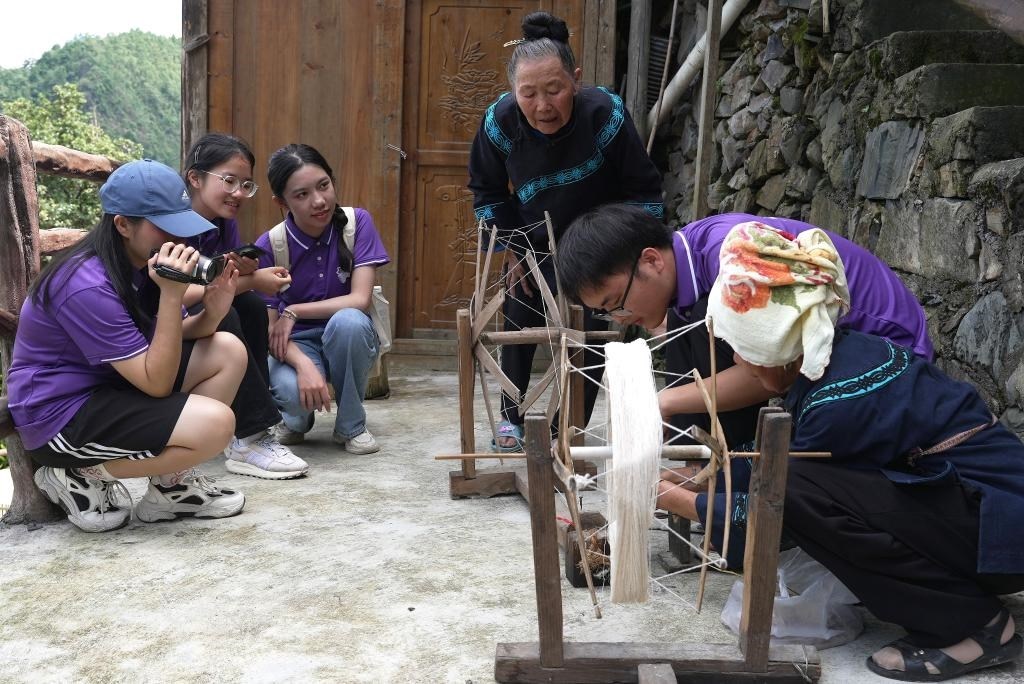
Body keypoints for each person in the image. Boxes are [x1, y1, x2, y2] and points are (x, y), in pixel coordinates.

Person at [655, 221, 1024, 682]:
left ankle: (974, 629)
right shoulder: (835, 360)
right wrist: (710, 475)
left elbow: (776, 501)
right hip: (984, 514)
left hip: (1001, 532)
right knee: (802, 482)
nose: (735, 362)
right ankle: (959, 598)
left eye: (740, 351)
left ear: (773, 349)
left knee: (802, 498)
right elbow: (778, 453)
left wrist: (687, 502)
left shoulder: (837, 401)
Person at [556, 204, 933, 448]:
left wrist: (661, 404)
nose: (621, 319)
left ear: (651, 261)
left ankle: (721, 483)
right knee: (687, 331)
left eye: (614, 304)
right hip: (837, 350)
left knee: (706, 323)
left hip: (888, 357)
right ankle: (702, 469)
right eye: (606, 313)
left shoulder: (733, 261)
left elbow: (769, 371)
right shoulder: (690, 259)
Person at [7, 159, 247, 532]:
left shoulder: (139, 265)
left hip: (110, 387)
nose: (179, 241)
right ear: (123, 225)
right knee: (215, 426)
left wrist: (213, 313)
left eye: (181, 227)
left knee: (226, 350)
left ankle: (170, 488)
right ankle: (77, 473)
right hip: (60, 417)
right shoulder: (85, 284)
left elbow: (170, 340)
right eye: (165, 227)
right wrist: (173, 295)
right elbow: (157, 383)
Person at [468, 11, 663, 452]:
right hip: (534, 239)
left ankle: (567, 431)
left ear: (575, 80)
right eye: (528, 93)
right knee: (518, 312)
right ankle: (511, 418)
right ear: (512, 92)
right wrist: (513, 249)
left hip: (600, 245)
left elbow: (643, 188)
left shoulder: (605, 115)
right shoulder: (499, 123)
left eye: (554, 89)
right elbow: (486, 189)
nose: (542, 105)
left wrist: (628, 254)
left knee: (592, 330)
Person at [182, 133, 309, 480]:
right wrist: (252, 279)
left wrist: (248, 274)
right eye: (229, 181)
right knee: (231, 307)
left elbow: (222, 280)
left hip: (192, 320)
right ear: (195, 178)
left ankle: (247, 430)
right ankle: (251, 435)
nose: (239, 193)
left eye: (246, 185)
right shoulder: (171, 221)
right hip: (160, 328)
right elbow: (177, 293)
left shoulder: (223, 221)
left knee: (249, 306)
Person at [251, 144, 389, 454]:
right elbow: (271, 331)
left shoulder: (356, 224)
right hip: (295, 346)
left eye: (324, 186)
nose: (319, 201)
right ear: (281, 202)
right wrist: (303, 366)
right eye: (301, 194)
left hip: (348, 339)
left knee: (349, 322)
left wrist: (295, 310)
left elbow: (360, 299)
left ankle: (351, 426)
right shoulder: (272, 244)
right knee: (294, 405)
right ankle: (295, 421)